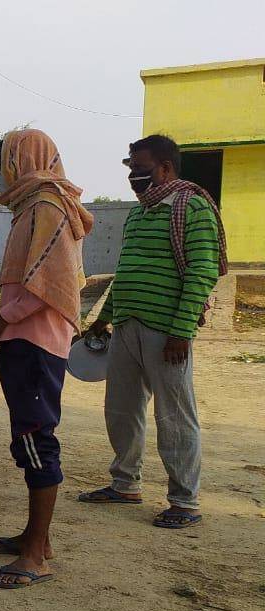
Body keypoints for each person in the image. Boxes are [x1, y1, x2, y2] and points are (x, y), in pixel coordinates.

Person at [78, 134, 226, 529]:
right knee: (122, 410)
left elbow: (202, 272)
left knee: (174, 416)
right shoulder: (140, 212)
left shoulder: (191, 207)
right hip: (127, 325)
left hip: (167, 332)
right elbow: (126, 273)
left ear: (165, 168)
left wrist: (181, 332)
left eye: (141, 170)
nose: (134, 177)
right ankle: (124, 484)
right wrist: (104, 316)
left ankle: (184, 502)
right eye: (131, 170)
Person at [0, 129, 93, 590]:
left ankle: (35, 556)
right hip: (24, 338)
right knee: (28, 436)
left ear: (21, 160)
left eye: (5, 160)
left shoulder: (47, 206)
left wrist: (5, 317)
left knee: (34, 437)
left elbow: (48, 282)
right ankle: (34, 538)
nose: (2, 170)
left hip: (34, 341)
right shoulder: (33, 205)